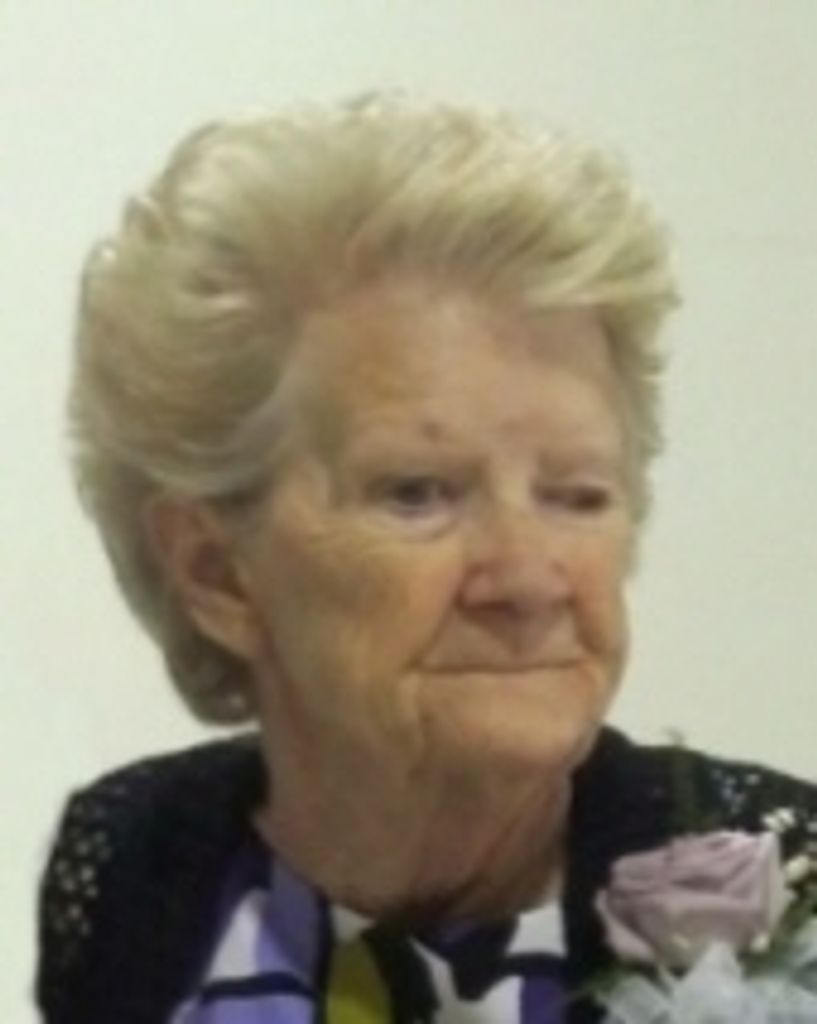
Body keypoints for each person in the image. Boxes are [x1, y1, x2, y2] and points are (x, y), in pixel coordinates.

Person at [36, 93, 817, 1024]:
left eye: (577, 495)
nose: (527, 579)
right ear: (215, 571)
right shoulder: (129, 865)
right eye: (418, 493)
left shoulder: (784, 878)